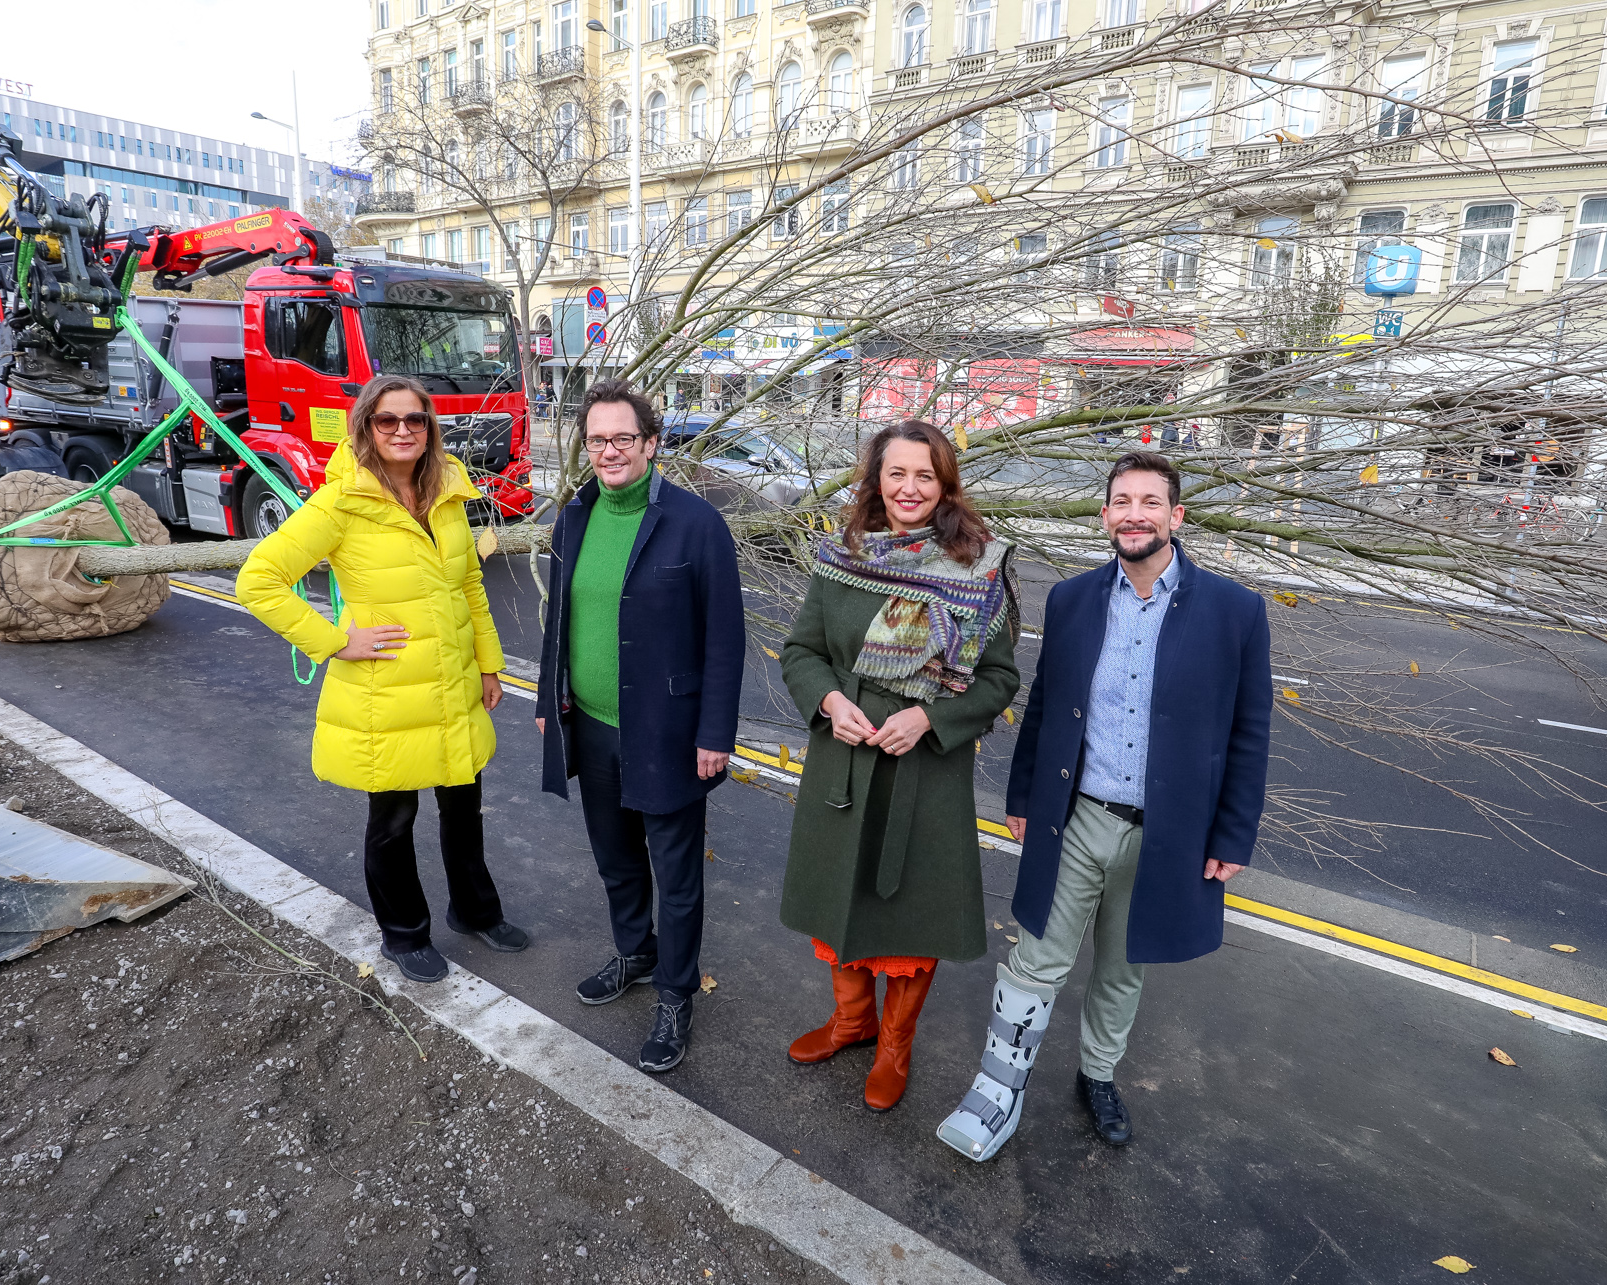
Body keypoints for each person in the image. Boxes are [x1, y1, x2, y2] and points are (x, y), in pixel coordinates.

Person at [937, 449, 1271, 1161]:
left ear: (1176, 517)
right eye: (1122, 500)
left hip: (1168, 835)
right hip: (1079, 815)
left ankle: (1098, 1075)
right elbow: (1049, 703)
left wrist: (1233, 835)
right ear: (1105, 516)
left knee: (1123, 967)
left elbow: (1249, 730)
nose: (1135, 513)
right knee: (1038, 955)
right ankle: (998, 1090)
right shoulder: (1074, 599)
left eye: (1150, 501)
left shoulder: (1235, 612)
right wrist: (1023, 792)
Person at [237, 375, 529, 985]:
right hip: (384, 690)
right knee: (393, 821)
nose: (403, 431)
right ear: (365, 426)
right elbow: (258, 580)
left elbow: (467, 584)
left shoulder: (446, 491)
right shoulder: (341, 502)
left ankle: (475, 911)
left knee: (464, 806)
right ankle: (404, 934)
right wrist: (336, 642)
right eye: (387, 420)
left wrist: (488, 662)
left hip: (452, 680)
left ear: (430, 427)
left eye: (415, 420)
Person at [779, 421, 1021, 1112]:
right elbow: (802, 650)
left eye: (924, 475)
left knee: (910, 918)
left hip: (925, 770)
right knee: (841, 898)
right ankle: (852, 1022)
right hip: (846, 759)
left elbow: (999, 679)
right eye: (895, 473)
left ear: (945, 483)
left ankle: (893, 1044)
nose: (909, 488)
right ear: (875, 479)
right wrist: (828, 700)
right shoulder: (840, 555)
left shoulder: (978, 565)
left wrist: (930, 718)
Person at [537, 379, 745, 1073]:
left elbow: (724, 637)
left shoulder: (695, 523)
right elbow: (560, 619)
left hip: (671, 732)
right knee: (616, 859)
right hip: (593, 724)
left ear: (652, 444)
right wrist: (549, 698)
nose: (610, 450)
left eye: (623, 437)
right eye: (597, 439)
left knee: (676, 873)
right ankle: (636, 950)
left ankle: (676, 994)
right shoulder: (574, 516)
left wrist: (715, 731)